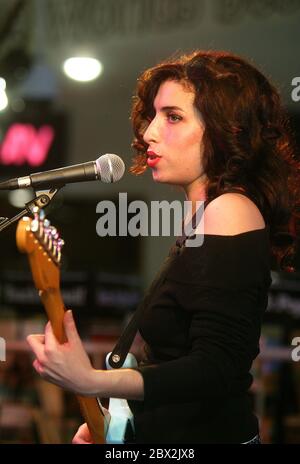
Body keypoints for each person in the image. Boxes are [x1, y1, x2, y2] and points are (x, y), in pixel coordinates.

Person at [27, 50, 300, 444]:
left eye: (173, 117)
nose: (149, 132)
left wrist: (89, 379)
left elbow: (216, 368)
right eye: (153, 115)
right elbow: (175, 366)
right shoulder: (208, 215)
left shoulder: (230, 210)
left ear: (226, 130)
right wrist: (118, 425)